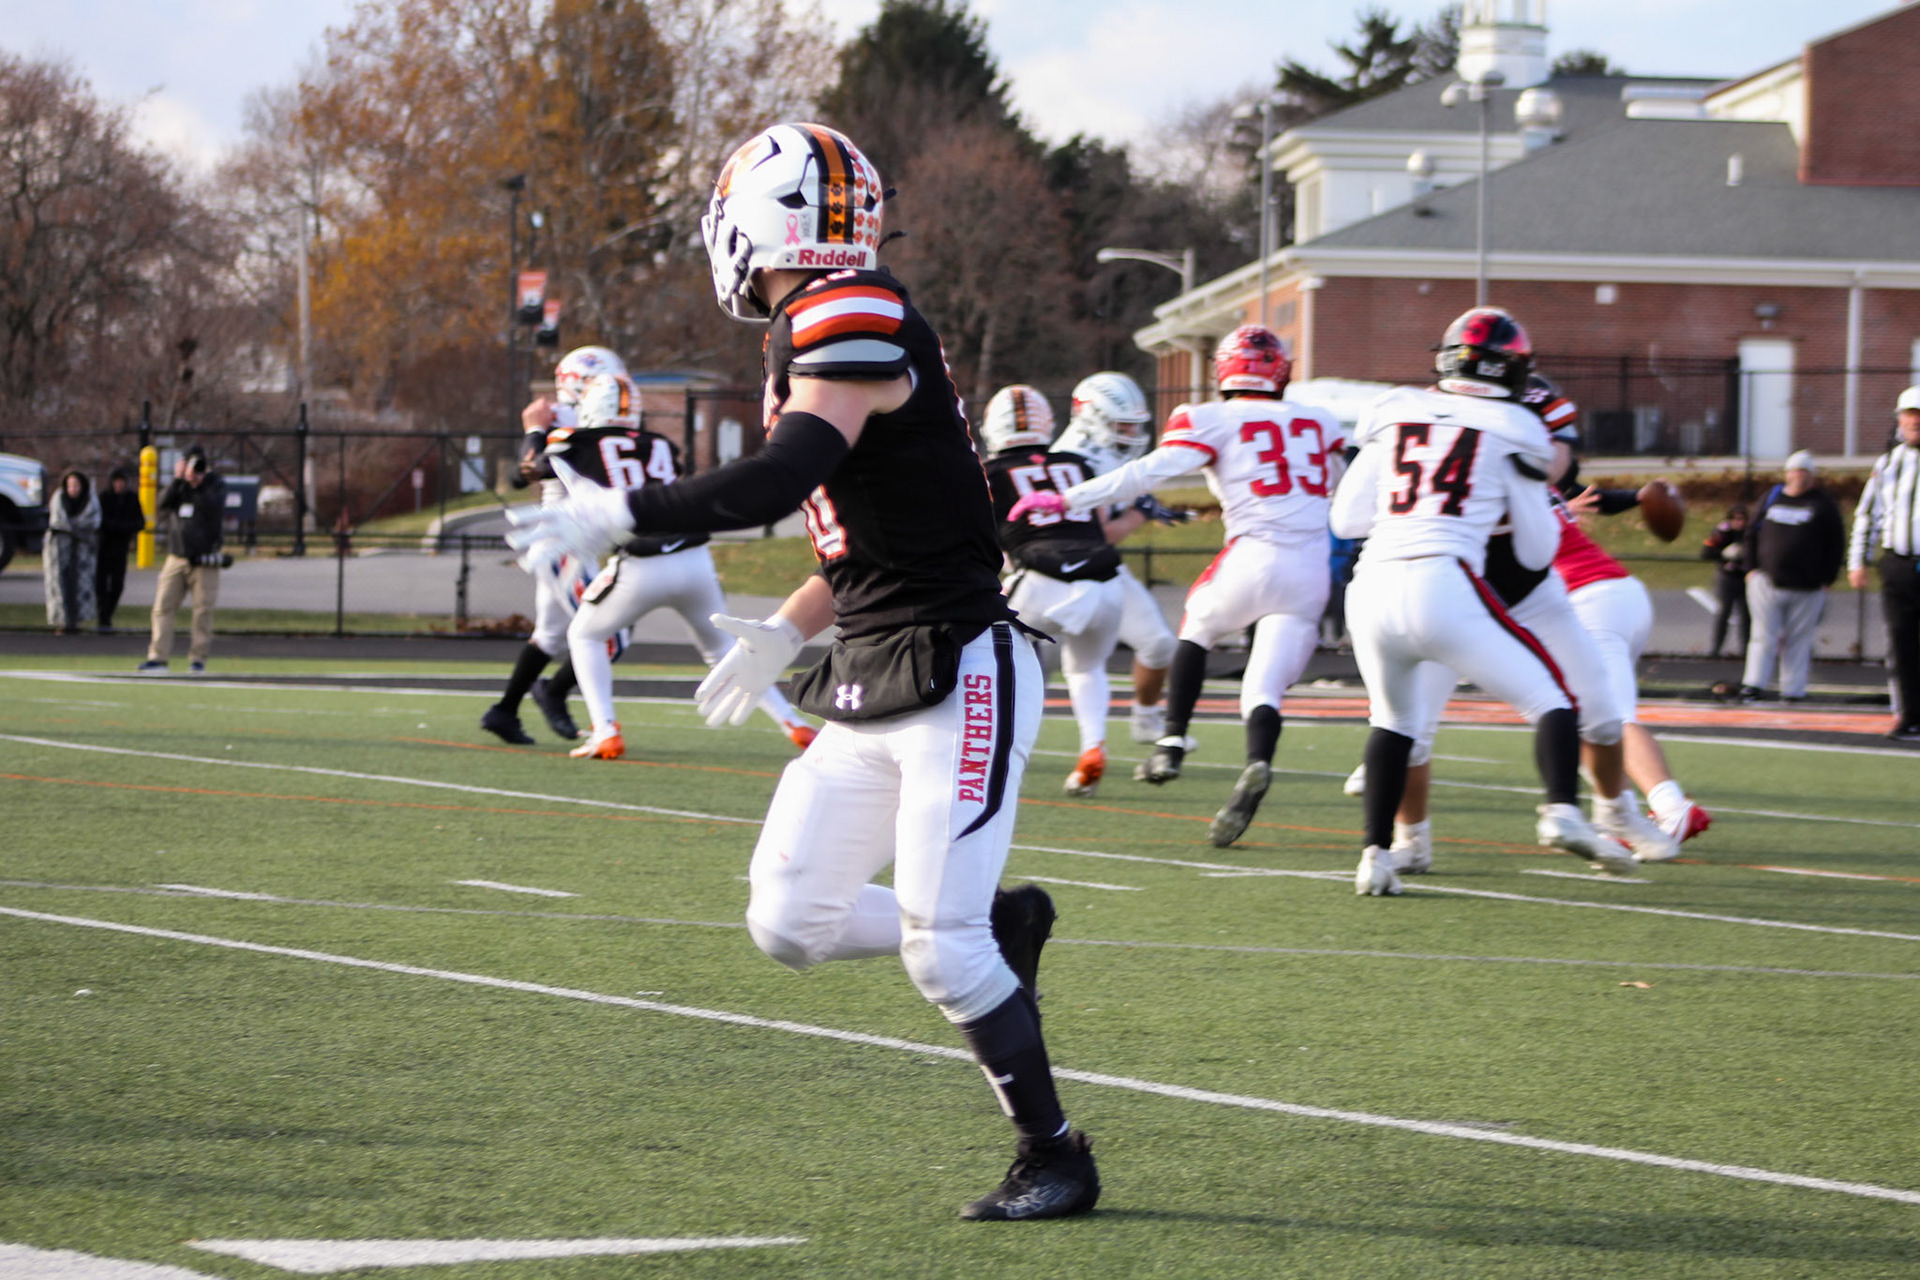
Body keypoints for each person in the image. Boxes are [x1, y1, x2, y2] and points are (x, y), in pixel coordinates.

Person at [509, 123, 1097, 1220]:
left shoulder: (849, 310)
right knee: (788, 919)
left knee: (943, 948)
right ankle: (1003, 925)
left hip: (962, 665)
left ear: (764, 221)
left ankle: (1054, 1152)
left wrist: (627, 511)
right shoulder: (821, 325)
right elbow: (861, 540)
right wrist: (781, 631)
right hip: (877, 661)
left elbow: (782, 477)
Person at [1328, 307, 1632, 895]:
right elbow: (1538, 552)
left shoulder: (1395, 411)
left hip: (1369, 589)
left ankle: (1375, 858)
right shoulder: (1514, 427)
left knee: (1394, 723)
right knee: (1553, 701)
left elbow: (1345, 521)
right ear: (1514, 371)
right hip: (1443, 581)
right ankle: (1562, 812)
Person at [1015, 325, 1346, 849]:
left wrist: (1066, 500)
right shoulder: (1320, 420)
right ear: (1280, 372)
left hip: (1252, 553)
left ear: (1224, 371)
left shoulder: (1211, 417)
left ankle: (1171, 741)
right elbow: (1344, 487)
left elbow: (1146, 473)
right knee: (1264, 688)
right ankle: (1258, 760)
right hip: (1309, 570)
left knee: (1198, 627)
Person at [555, 371, 816, 760]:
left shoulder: (577, 442)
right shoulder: (659, 443)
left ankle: (605, 730)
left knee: (584, 635)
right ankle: (791, 721)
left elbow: (534, 464)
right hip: (695, 560)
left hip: (642, 563)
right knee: (722, 648)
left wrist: (538, 431)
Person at [982, 384, 1127, 795]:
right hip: (1106, 580)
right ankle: (1092, 747)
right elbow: (1101, 523)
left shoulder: (987, 474)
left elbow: (982, 539)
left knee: (999, 665)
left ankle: (1001, 756)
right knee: (1086, 669)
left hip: (1040, 578)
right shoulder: (1077, 464)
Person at [481, 345, 628, 744]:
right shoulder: (565, 418)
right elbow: (522, 473)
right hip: (563, 541)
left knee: (549, 635)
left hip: (577, 540)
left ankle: (504, 711)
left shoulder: (600, 417)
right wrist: (534, 432)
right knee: (612, 635)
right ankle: (554, 692)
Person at [1052, 373, 1181, 745]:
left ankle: (1146, 720)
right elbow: (1101, 533)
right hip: (1054, 574)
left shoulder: (1101, 453)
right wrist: (1141, 512)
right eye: (1122, 425)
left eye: (1134, 425)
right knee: (1034, 663)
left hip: (1099, 567)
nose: (1131, 433)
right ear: (1092, 417)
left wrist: (1140, 506)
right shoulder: (1073, 460)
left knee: (1158, 644)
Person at [1739, 450, 1844, 702]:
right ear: (1787, 474)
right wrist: (1750, 569)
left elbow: (1836, 542)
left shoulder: (1823, 504)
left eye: (1804, 471)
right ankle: (1754, 684)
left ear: (1812, 476)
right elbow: (1751, 533)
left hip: (1808, 586)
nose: (1799, 476)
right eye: (1795, 471)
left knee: (1798, 640)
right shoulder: (1772, 498)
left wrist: (1827, 578)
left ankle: (1793, 689)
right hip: (1767, 581)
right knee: (1762, 635)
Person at [1847, 386, 1920, 740]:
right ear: (1899, 420)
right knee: (1902, 642)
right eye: (1910, 414)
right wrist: (1857, 560)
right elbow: (1868, 514)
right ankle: (1910, 715)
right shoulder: (1888, 464)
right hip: (1898, 563)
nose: (1915, 421)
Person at [137, 446, 225, 674]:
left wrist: (198, 484)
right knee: (162, 607)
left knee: (202, 611)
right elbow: (161, 504)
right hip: (176, 556)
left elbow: (214, 510)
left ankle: (198, 660)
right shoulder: (179, 487)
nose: (194, 471)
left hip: (204, 560)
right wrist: (178, 480)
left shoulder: (214, 484)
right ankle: (158, 657)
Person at [44, 471, 100, 634]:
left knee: (81, 585)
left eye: (76, 485)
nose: (73, 489)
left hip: (83, 550)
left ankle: (78, 621)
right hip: (60, 548)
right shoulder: (59, 501)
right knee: (59, 583)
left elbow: (95, 521)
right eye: (70, 486)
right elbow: (56, 521)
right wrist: (69, 530)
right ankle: (61, 621)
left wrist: (78, 532)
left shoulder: (90, 502)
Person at [95, 467, 146, 632]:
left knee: (117, 585)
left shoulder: (131, 499)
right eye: (116, 482)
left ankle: (107, 615)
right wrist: (115, 527)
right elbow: (99, 521)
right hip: (103, 547)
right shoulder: (104, 498)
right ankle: (102, 617)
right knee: (100, 585)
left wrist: (123, 528)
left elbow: (140, 522)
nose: (119, 485)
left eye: (122, 482)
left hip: (121, 549)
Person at [1700, 504, 1749, 659]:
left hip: (1745, 578)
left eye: (1743, 519)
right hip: (1727, 578)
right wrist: (1723, 554)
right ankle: (1716, 649)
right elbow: (1706, 552)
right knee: (1723, 613)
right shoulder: (1722, 532)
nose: (1740, 523)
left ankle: (1746, 650)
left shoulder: (1751, 532)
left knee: (1747, 615)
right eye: (1736, 519)